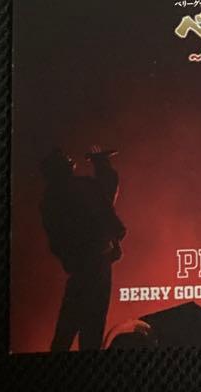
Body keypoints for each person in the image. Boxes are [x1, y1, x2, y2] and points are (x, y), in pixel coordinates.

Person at [40, 145, 126, 352]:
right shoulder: (82, 187)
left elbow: (58, 242)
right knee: (90, 329)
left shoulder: (49, 200)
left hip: (82, 268)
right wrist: (101, 163)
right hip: (96, 264)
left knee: (67, 329)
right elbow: (107, 202)